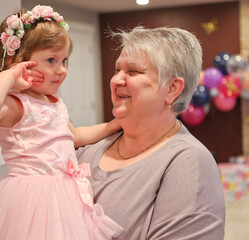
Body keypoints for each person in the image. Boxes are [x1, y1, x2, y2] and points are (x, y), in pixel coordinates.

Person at [0, 5, 123, 240]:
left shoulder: (55, 101)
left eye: (64, 61)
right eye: (51, 60)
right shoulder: (15, 105)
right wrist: (10, 75)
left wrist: (113, 126)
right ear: (19, 61)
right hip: (32, 202)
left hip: (67, 198)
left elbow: (75, 135)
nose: (61, 70)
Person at [76, 26, 226, 239]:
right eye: (117, 70)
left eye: (132, 71)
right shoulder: (89, 147)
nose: (116, 80)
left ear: (173, 88)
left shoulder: (189, 162)